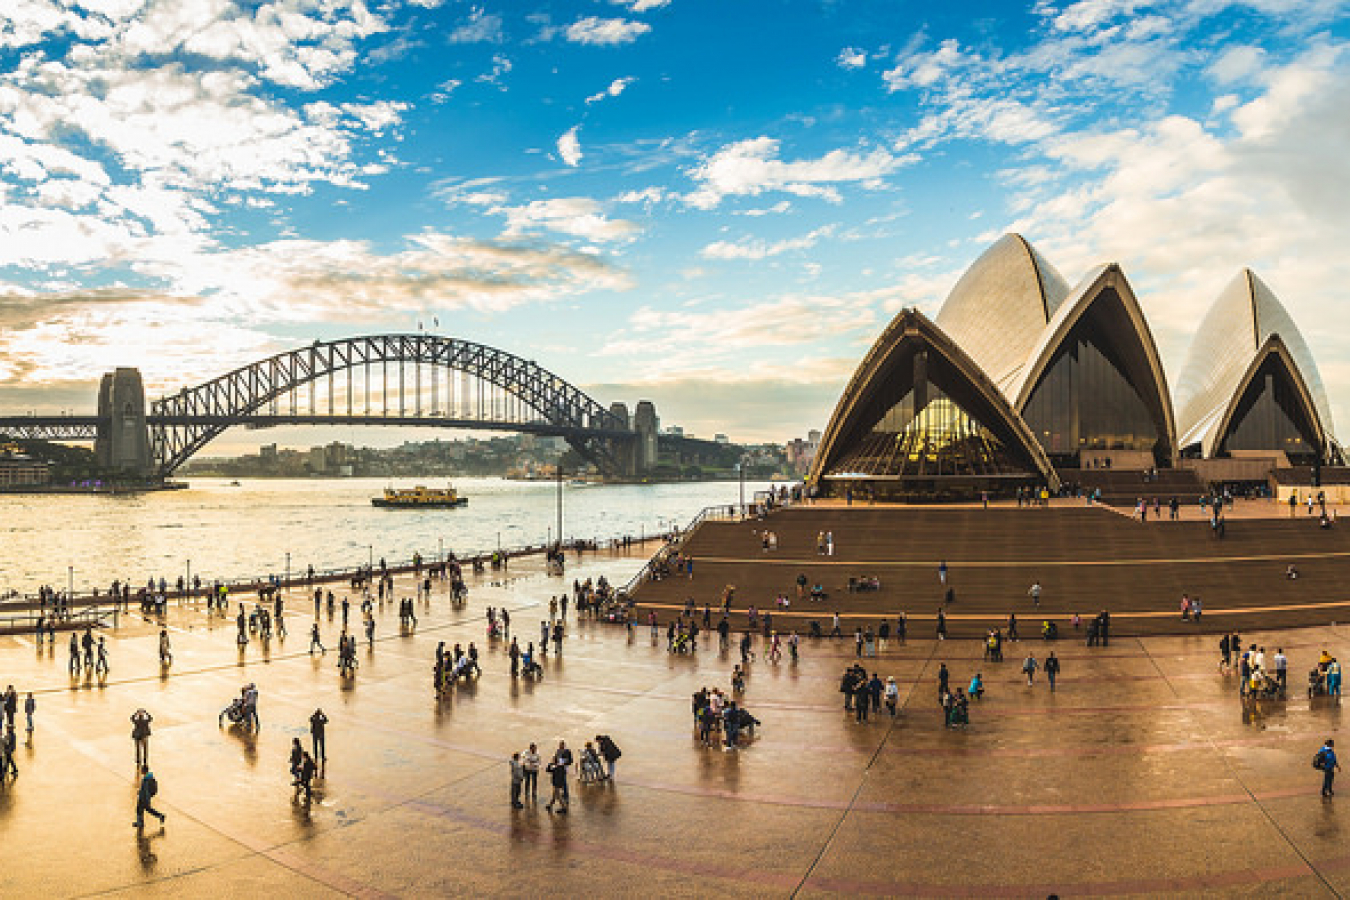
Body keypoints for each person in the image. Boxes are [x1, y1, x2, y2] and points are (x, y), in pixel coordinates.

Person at [133, 764, 165, 828]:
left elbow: (146, 790)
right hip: (145, 797)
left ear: (144, 771)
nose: (141, 771)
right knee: (147, 809)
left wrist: (144, 797)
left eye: (142, 770)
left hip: (144, 798)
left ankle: (140, 822)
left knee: (139, 809)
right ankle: (160, 816)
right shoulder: (148, 778)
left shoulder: (146, 779)